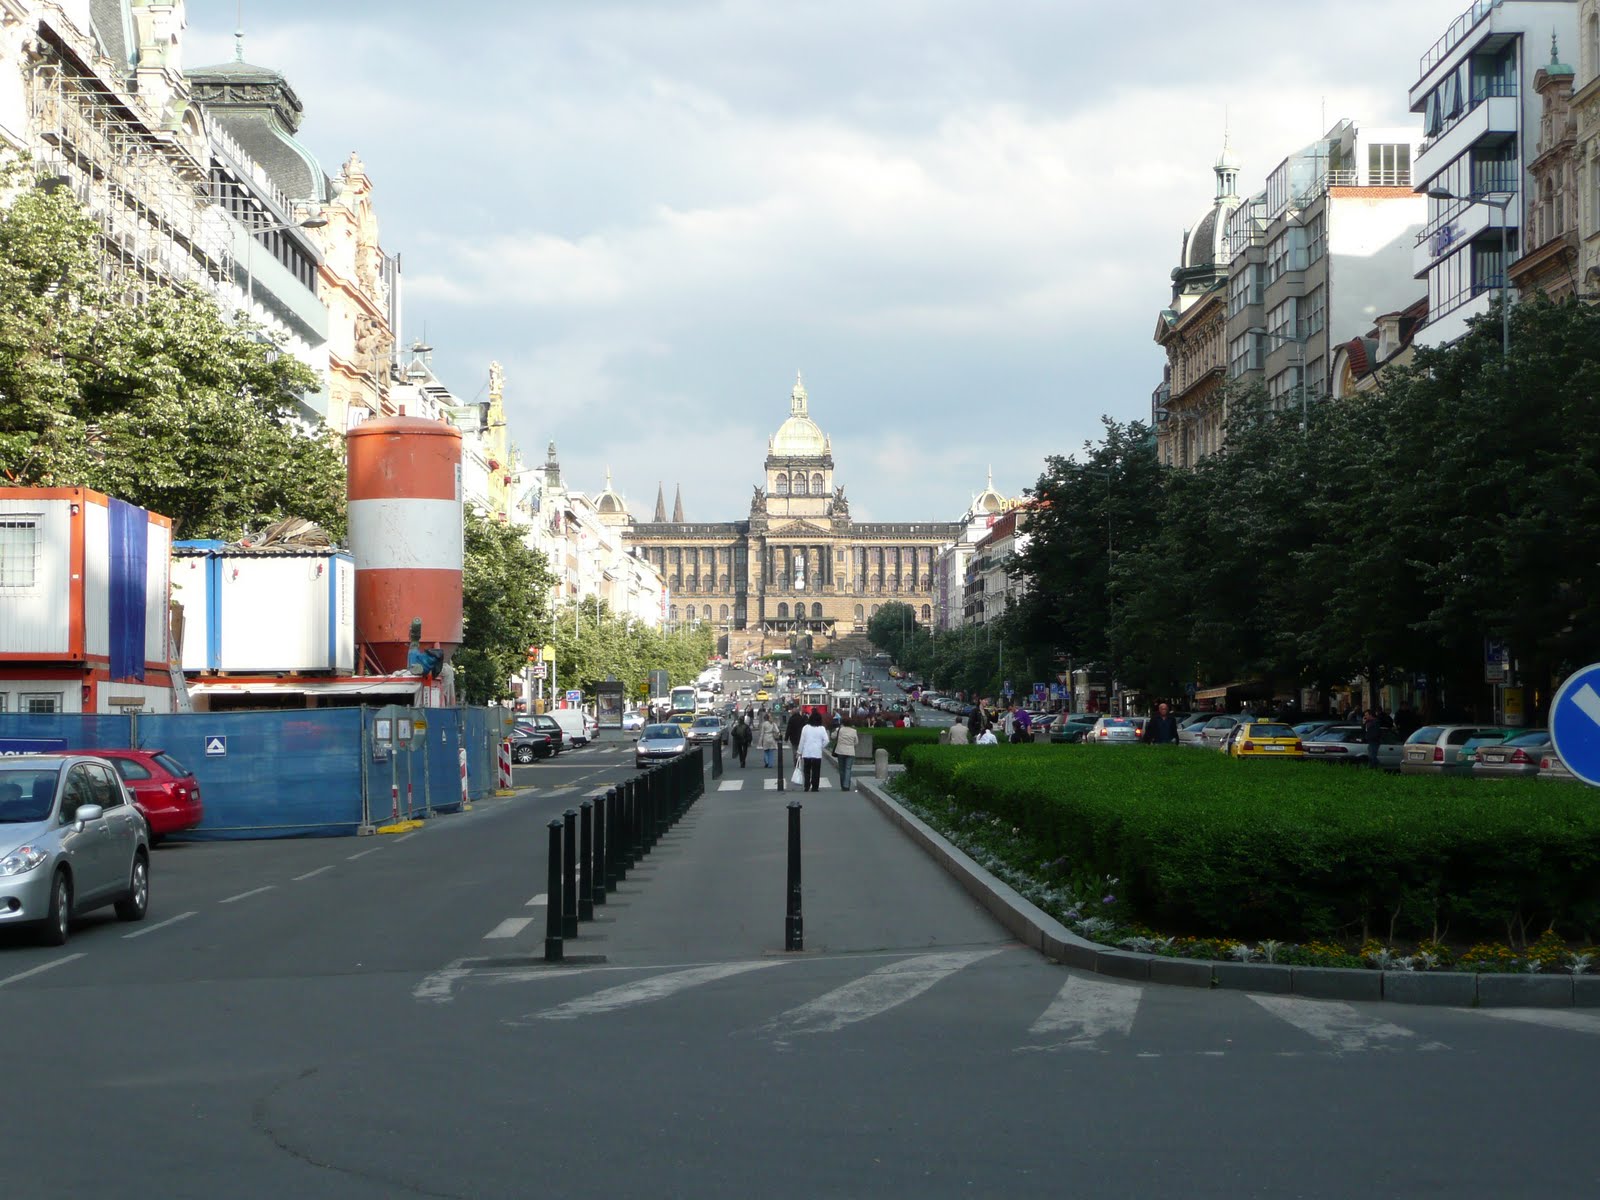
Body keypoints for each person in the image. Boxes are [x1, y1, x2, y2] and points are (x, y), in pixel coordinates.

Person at [797, 711, 829, 792]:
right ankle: (815, 786)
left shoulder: (805, 728)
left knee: (807, 770)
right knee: (816, 771)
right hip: (817, 753)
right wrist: (820, 746)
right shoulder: (822, 729)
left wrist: (799, 752)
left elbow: (802, 741)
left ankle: (806, 785)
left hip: (806, 752)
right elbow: (826, 740)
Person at [833, 721, 860, 790]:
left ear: (843, 723)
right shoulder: (854, 731)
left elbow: (833, 736)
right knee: (848, 769)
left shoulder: (839, 730)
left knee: (841, 769)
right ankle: (846, 785)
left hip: (840, 751)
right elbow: (856, 742)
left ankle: (842, 785)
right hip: (850, 751)